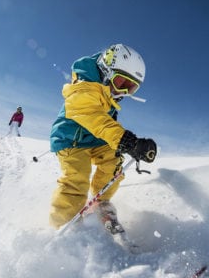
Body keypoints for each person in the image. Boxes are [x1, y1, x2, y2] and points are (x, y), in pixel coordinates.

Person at [49, 43, 157, 232]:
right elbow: (93, 117)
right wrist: (125, 140)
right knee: (77, 178)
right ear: (106, 70)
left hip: (96, 139)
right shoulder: (83, 87)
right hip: (71, 140)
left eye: (131, 88)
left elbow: (107, 125)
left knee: (114, 162)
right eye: (121, 83)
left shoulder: (109, 94)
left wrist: (133, 145)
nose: (123, 92)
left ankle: (101, 203)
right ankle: (63, 225)